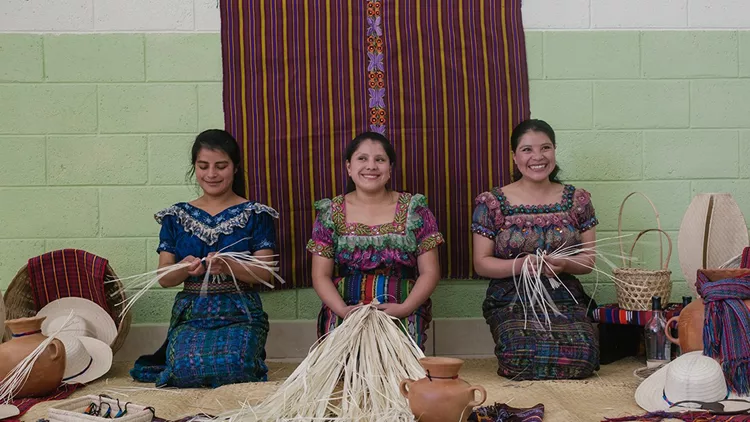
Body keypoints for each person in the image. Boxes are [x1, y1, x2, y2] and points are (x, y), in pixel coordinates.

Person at [130, 129, 278, 388]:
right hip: (192, 313)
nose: (211, 174)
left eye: (221, 166)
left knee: (235, 366)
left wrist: (230, 265)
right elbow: (164, 278)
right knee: (184, 369)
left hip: (240, 310)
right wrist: (185, 268)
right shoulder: (175, 216)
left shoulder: (256, 214)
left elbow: (265, 274)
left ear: (235, 168)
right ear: (194, 168)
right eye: (203, 166)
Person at [472, 119, 599, 380]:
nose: (537, 157)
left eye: (546, 148)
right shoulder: (493, 203)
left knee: (585, 356)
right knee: (518, 355)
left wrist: (565, 265)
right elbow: (481, 262)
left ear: (554, 151)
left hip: (563, 293)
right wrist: (521, 265)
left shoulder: (577, 201)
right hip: (510, 296)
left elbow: (588, 261)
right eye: (527, 150)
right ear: (514, 156)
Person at [307, 132, 443, 350]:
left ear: (390, 169)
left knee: (399, 371)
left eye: (379, 160)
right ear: (349, 167)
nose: (371, 166)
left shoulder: (415, 210)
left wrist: (405, 308)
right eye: (362, 158)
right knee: (346, 369)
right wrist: (343, 311)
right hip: (347, 307)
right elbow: (320, 274)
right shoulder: (330, 212)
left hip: (401, 305)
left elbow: (430, 272)